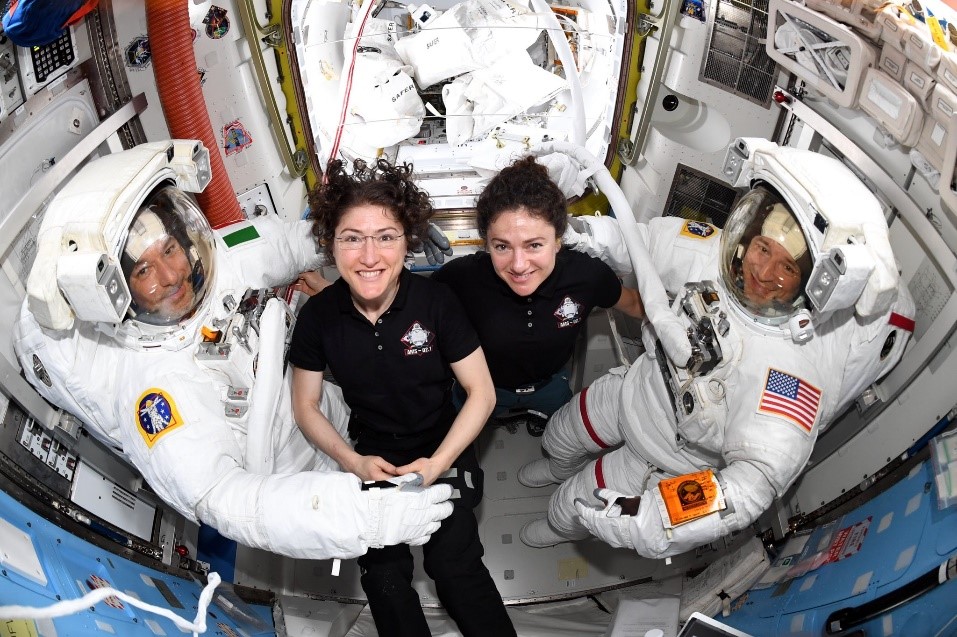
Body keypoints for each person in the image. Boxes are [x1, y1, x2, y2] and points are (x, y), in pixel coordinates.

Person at [14, 140, 455, 562]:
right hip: (302, 486)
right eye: (144, 269)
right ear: (114, 292)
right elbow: (229, 500)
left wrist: (393, 233)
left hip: (330, 417)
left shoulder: (221, 260)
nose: (171, 275)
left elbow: (286, 243)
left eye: (170, 249)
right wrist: (360, 518)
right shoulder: (154, 396)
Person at [517, 139, 915, 559]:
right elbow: (645, 242)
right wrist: (583, 235)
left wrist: (655, 519)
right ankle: (555, 466)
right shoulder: (714, 256)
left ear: (811, 283)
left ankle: (555, 526)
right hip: (631, 392)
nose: (762, 272)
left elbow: (751, 483)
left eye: (787, 267)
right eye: (763, 249)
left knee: (576, 505)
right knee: (561, 433)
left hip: (663, 456)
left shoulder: (789, 374)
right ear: (748, 238)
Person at [288, 158, 516, 637]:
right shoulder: (318, 318)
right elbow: (305, 405)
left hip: (440, 446)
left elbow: (482, 392)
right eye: (352, 237)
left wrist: (437, 463)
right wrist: (353, 462)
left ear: (407, 242)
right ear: (332, 243)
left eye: (386, 237)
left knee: (455, 569)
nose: (369, 255)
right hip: (369, 452)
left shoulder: (437, 304)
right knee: (384, 579)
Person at [430, 156, 644, 428]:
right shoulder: (463, 277)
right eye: (502, 247)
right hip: (483, 389)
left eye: (534, 245)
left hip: (551, 387)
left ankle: (538, 419)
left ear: (558, 240)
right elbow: (410, 302)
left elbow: (635, 305)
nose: (519, 265)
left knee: (563, 433)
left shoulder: (586, 276)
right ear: (487, 244)